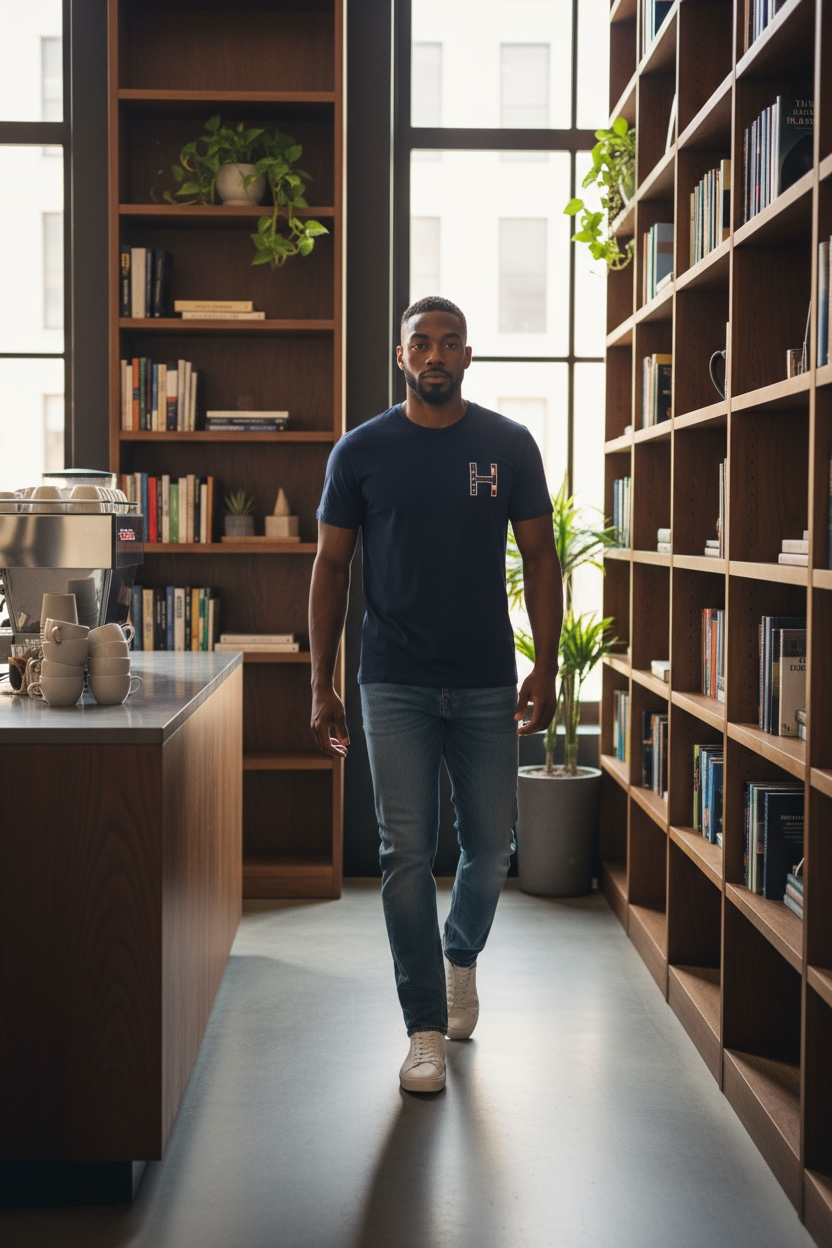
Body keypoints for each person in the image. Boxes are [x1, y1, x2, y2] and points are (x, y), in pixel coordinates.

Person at [309, 296, 562, 1093]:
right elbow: (330, 569)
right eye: (422, 343)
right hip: (394, 682)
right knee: (403, 854)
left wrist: (546, 665)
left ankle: (459, 955)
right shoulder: (361, 451)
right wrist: (322, 681)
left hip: (487, 678)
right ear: (401, 356)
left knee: (491, 851)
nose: (436, 356)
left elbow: (543, 560)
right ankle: (424, 1027)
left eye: (450, 344)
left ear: (468, 356)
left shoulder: (508, 444)